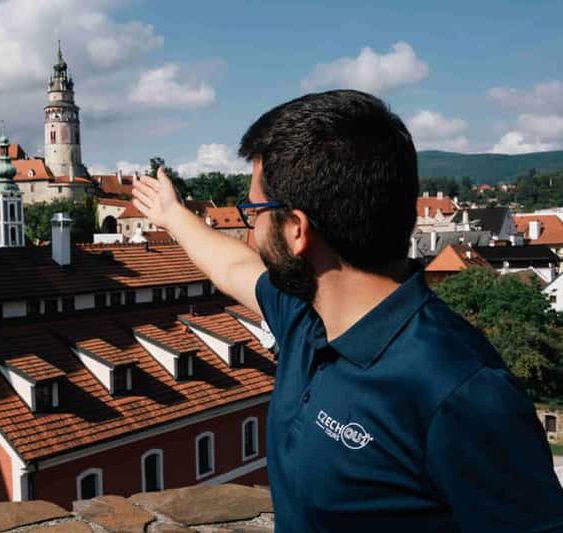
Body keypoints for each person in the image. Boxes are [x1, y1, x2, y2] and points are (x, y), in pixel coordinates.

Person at [131, 90, 563, 532]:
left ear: (297, 230)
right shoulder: (306, 315)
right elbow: (234, 266)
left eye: (253, 211)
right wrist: (172, 213)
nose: (249, 229)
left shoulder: (460, 391)